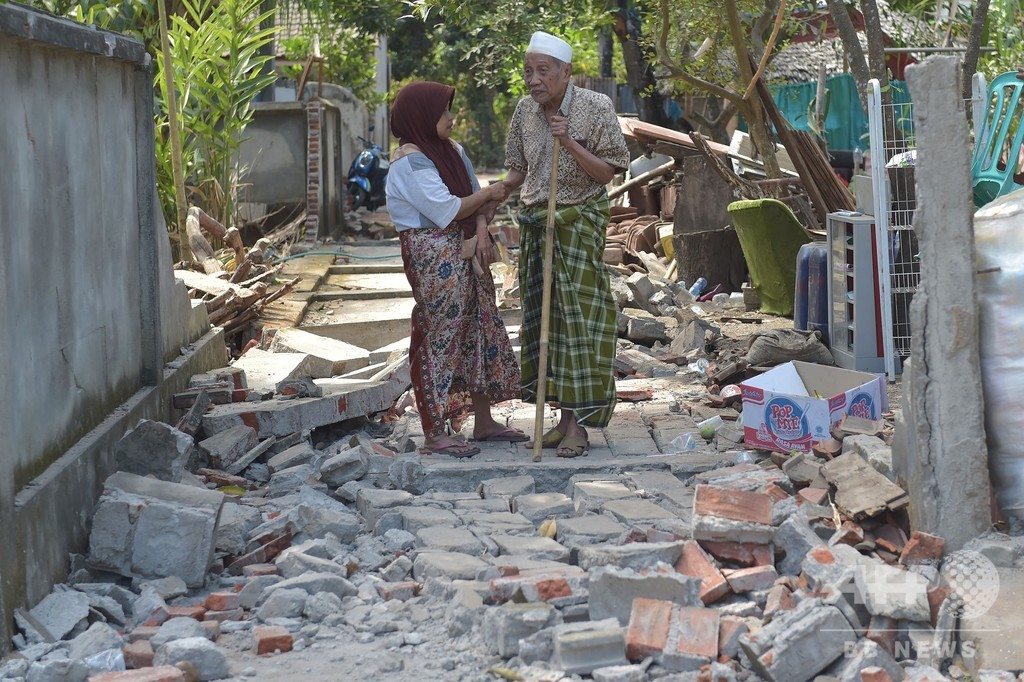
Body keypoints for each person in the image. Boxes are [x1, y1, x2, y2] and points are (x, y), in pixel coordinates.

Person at [502, 31, 630, 458]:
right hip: (538, 227)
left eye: (542, 71)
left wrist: (568, 142)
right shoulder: (524, 111)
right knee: (545, 326)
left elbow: (608, 173)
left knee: (580, 323)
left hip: (577, 224)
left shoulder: (596, 108)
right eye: (528, 71)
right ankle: (560, 419)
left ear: (565, 72)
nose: (533, 80)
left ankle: (580, 425)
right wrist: (483, 203)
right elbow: (517, 173)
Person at [386, 81, 527, 457]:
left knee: (481, 326)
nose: (451, 117)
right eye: (444, 112)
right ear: (421, 117)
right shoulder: (409, 163)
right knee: (441, 336)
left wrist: (482, 230)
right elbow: (448, 208)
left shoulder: (453, 151)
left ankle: (484, 422)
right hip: (434, 258)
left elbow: (473, 200)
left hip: (469, 249)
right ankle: (434, 430)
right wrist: (493, 192)